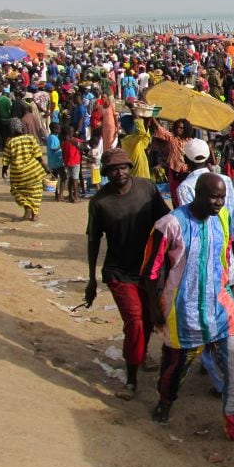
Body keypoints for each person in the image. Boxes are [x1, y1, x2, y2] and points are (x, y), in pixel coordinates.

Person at [142, 174, 234, 443]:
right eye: (213, 197)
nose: (219, 203)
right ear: (197, 194)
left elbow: (223, 258)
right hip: (183, 311)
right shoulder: (169, 225)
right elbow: (149, 272)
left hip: (221, 306)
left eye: (222, 198)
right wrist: (153, 308)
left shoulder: (222, 219)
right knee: (176, 367)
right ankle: (165, 400)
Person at [85, 148, 170, 400]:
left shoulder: (147, 189)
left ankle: (139, 355)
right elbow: (93, 241)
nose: (119, 172)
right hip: (118, 272)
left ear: (130, 167)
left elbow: (167, 220)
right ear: (106, 173)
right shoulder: (99, 202)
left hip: (148, 271)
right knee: (135, 322)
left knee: (147, 319)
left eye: (123, 167)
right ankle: (131, 379)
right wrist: (91, 279)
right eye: (113, 169)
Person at [176, 138, 234, 259]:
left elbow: (191, 223)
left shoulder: (184, 187)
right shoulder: (225, 180)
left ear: (185, 159)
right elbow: (233, 215)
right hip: (226, 246)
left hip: (202, 250)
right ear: (209, 156)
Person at [1, 117, 48, 221]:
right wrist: (45, 168)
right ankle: (34, 213)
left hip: (18, 174)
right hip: (33, 171)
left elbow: (6, 158)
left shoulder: (10, 142)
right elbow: (38, 156)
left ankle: (27, 207)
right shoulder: (30, 138)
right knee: (36, 191)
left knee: (17, 190)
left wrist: (4, 170)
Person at [152, 117, 192, 207]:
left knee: (185, 195)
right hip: (174, 171)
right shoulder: (172, 139)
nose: (178, 129)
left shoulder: (191, 142)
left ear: (185, 129)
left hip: (186, 172)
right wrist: (152, 117)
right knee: (174, 195)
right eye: (177, 127)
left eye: (181, 128)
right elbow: (160, 129)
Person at [120, 111, 152, 180]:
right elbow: (141, 133)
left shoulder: (136, 141)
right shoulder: (128, 140)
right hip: (137, 180)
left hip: (144, 178)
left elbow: (145, 138)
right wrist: (132, 108)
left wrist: (147, 121)